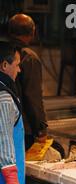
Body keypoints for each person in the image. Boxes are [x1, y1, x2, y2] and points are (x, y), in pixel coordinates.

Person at [0, 41, 26, 184]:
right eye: (16, 64)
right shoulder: (4, 97)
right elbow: (4, 137)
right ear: (4, 66)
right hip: (3, 182)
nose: (19, 69)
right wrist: (11, 179)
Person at [8, 14, 48, 150]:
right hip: (21, 128)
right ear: (33, 32)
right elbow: (33, 97)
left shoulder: (3, 51)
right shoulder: (28, 57)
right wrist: (40, 129)